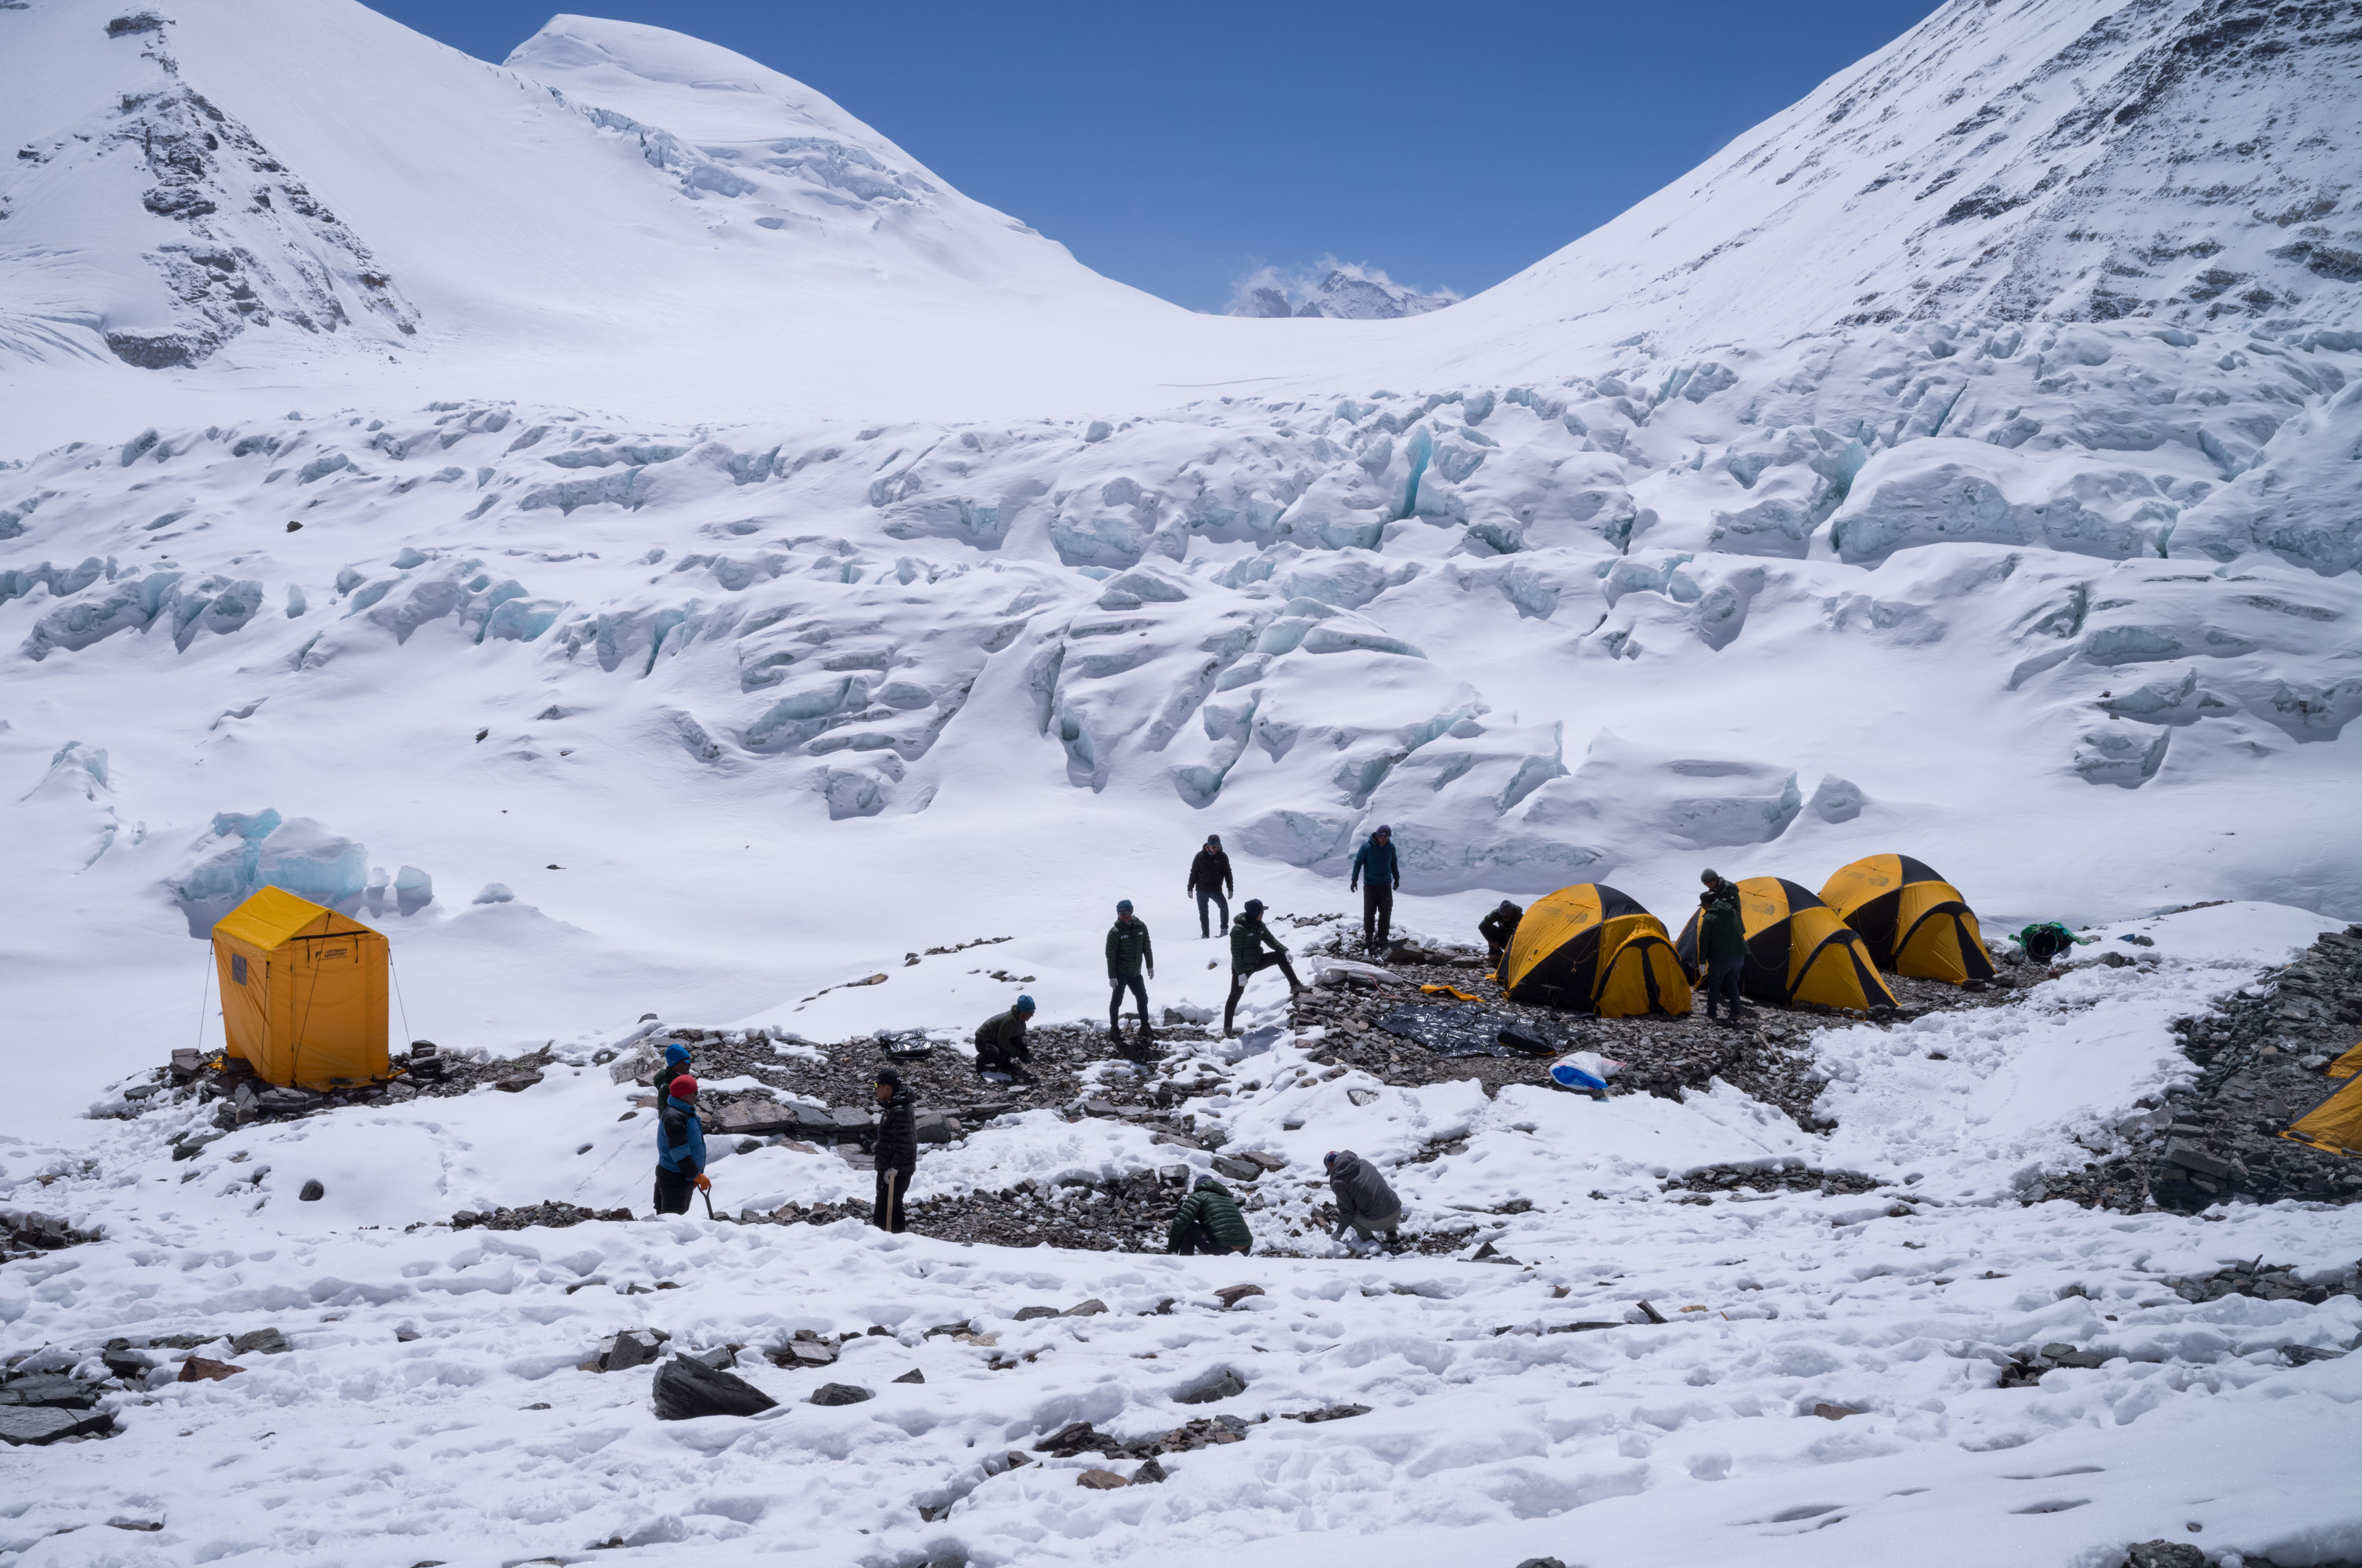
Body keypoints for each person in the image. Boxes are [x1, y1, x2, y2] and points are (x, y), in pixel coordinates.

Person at [1224, 898, 1305, 1035]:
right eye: (1262, 911)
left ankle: (1295, 985)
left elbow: (1270, 940)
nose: (1263, 914)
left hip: (1257, 961)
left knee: (1279, 956)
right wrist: (1241, 974)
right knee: (1234, 997)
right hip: (1242, 967)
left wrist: (1285, 950)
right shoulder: (1239, 929)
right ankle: (1227, 1029)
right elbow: (1236, 953)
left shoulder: (1259, 925)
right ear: (1255, 912)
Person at [1697, 869, 1749, 1023]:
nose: (1707, 886)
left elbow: (1704, 940)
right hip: (1739, 953)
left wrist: (1701, 961)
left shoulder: (1711, 916)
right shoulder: (1729, 911)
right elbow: (1734, 911)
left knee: (1714, 983)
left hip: (1722, 956)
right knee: (1731, 982)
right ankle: (1736, 1013)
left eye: (1707, 883)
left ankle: (1711, 1013)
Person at [653, 1073, 709, 1216]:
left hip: (679, 1175)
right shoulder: (675, 1118)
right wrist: (695, 1175)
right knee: (673, 1220)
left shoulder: (683, 1112)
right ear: (685, 1095)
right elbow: (679, 1151)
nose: (697, 1096)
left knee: (668, 1218)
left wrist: (694, 1176)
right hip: (675, 1178)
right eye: (695, 1092)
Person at [1324, 1149, 1402, 1248]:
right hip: (1396, 1211)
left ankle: (1370, 1241)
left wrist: (1338, 1233)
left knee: (1350, 1213)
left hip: (1378, 1221)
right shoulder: (1364, 1163)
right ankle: (1392, 1233)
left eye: (1330, 1168)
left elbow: (1347, 1212)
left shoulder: (1338, 1181)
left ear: (1331, 1166)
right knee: (1380, 1197)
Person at [872, 1067, 917, 1233]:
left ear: (888, 1088)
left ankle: (890, 1246)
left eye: (878, 1084)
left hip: (896, 1172)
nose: (875, 1088)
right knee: (893, 1208)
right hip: (892, 1169)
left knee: (885, 1214)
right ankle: (896, 1243)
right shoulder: (895, 1106)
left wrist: (894, 1168)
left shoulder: (899, 1110)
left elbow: (907, 1144)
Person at [1166, 1174, 1252, 1256]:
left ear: (1197, 1187)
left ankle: (1186, 1262)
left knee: (1187, 1226)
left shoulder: (1198, 1196)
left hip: (1224, 1250)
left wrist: (1171, 1251)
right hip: (1245, 1250)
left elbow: (1179, 1222)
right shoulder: (1228, 1200)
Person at [1106, 899, 1154, 1040]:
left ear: (1132, 912)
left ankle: (1145, 1027)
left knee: (1143, 998)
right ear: (1118, 914)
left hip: (1136, 973)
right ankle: (1114, 1028)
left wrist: (1149, 965)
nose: (1125, 915)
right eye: (1122, 913)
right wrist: (1112, 976)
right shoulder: (1115, 932)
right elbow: (1110, 955)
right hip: (1121, 973)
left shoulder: (1141, 927)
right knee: (1117, 1001)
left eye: (1127, 912)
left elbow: (1147, 947)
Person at [1349, 824, 1401, 952]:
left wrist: (1397, 878)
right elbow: (1358, 862)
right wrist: (1354, 879)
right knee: (1369, 912)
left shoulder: (1390, 847)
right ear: (1378, 836)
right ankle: (1368, 935)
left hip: (1385, 886)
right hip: (1370, 886)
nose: (1386, 839)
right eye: (1384, 837)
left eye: (1388, 837)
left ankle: (1383, 936)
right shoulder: (1366, 847)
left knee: (1386, 911)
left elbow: (1394, 862)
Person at [973, 996, 1037, 1083]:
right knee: (999, 1054)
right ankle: (981, 1060)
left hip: (994, 1040)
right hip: (983, 1041)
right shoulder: (1009, 1021)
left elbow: (1017, 1039)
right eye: (1030, 1012)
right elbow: (1003, 1042)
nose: (1032, 1015)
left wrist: (1023, 1050)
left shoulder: (1020, 1020)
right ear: (1023, 1012)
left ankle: (1002, 1062)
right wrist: (1019, 1054)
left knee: (1010, 1047)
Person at [1187, 834, 1235, 939]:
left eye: (1218, 847)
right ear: (1208, 846)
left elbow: (1228, 873)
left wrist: (1230, 888)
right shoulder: (1200, 856)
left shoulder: (1223, 857)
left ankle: (1224, 930)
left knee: (1223, 906)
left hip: (1215, 889)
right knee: (1203, 913)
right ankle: (1205, 935)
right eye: (1214, 847)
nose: (1216, 849)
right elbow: (1194, 872)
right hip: (1201, 889)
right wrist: (1190, 888)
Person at [1479, 900, 1523, 971]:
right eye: (1502, 916)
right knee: (1490, 928)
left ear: (1511, 913)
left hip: (1512, 941)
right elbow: (1482, 926)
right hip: (1502, 935)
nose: (1503, 918)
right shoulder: (1496, 914)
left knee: (1511, 934)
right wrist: (1491, 941)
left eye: (1506, 917)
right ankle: (1495, 952)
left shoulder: (1520, 917)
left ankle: (1511, 957)